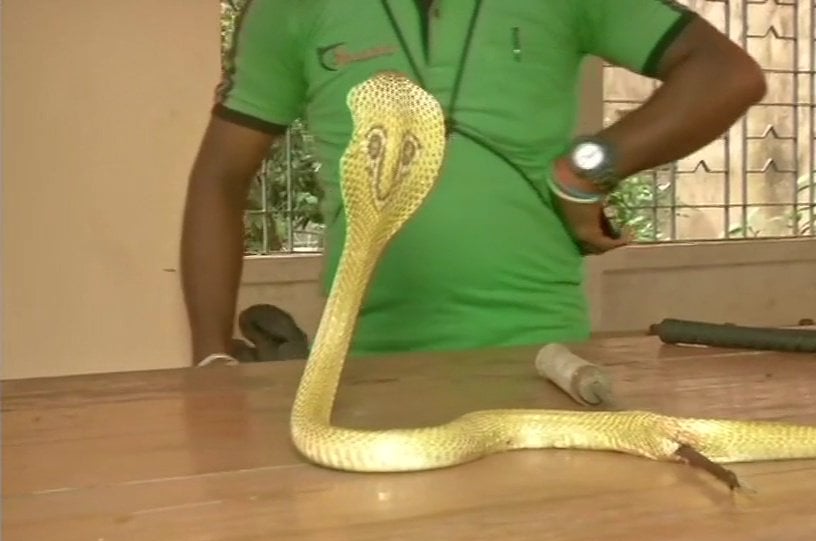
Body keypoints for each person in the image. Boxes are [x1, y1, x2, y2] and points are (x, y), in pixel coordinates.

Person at [181, 0, 766, 367]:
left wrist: (586, 168)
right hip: (363, 365)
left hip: (543, 357)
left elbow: (727, 74)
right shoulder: (287, 9)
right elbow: (220, 176)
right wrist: (211, 356)